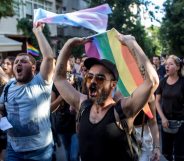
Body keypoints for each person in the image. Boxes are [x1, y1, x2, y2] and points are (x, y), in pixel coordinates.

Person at [54, 33, 159, 161]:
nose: (92, 81)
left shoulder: (123, 110)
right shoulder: (83, 104)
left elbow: (151, 82)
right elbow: (59, 79)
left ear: (113, 84)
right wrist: (68, 45)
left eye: (100, 78)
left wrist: (131, 43)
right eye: (89, 76)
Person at [0, 24, 55, 161]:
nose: (18, 63)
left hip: (40, 151)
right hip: (14, 149)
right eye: (16, 62)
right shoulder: (8, 86)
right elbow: (1, 107)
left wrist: (37, 32)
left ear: (33, 68)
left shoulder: (40, 83)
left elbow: (49, 58)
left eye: (24, 61)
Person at [155, 55, 184, 161]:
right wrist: (162, 118)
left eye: (170, 64)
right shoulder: (162, 82)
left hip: (181, 124)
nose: (167, 66)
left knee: (180, 155)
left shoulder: (182, 82)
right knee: (166, 154)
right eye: (166, 64)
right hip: (165, 123)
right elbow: (157, 102)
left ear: (178, 67)